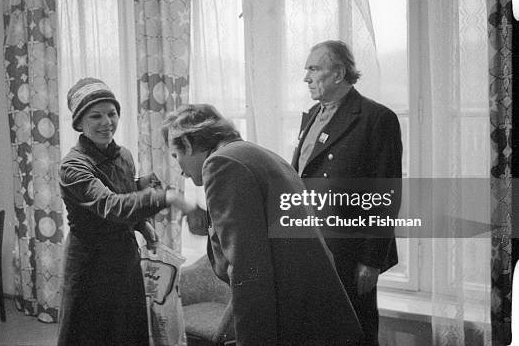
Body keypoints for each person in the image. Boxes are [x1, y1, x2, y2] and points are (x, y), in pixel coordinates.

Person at [162, 104, 362, 346]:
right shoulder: (256, 155)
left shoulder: (221, 164)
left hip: (291, 317)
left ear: (189, 143)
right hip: (318, 310)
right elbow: (257, 226)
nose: (179, 169)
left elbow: (247, 267)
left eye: (176, 156)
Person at [57, 78, 194, 346]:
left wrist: (144, 226)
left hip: (123, 257)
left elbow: (125, 191)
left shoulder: (124, 156)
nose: (106, 122)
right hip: (89, 265)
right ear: (79, 124)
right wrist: (169, 196)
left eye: (112, 113)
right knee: (90, 335)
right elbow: (111, 206)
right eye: (95, 115)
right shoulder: (72, 167)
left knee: (126, 331)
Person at [292, 40, 402, 345]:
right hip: (313, 244)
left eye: (314, 68)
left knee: (354, 333)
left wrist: (372, 260)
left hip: (350, 250)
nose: (306, 78)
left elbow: (386, 196)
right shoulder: (314, 113)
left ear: (339, 72)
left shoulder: (376, 118)